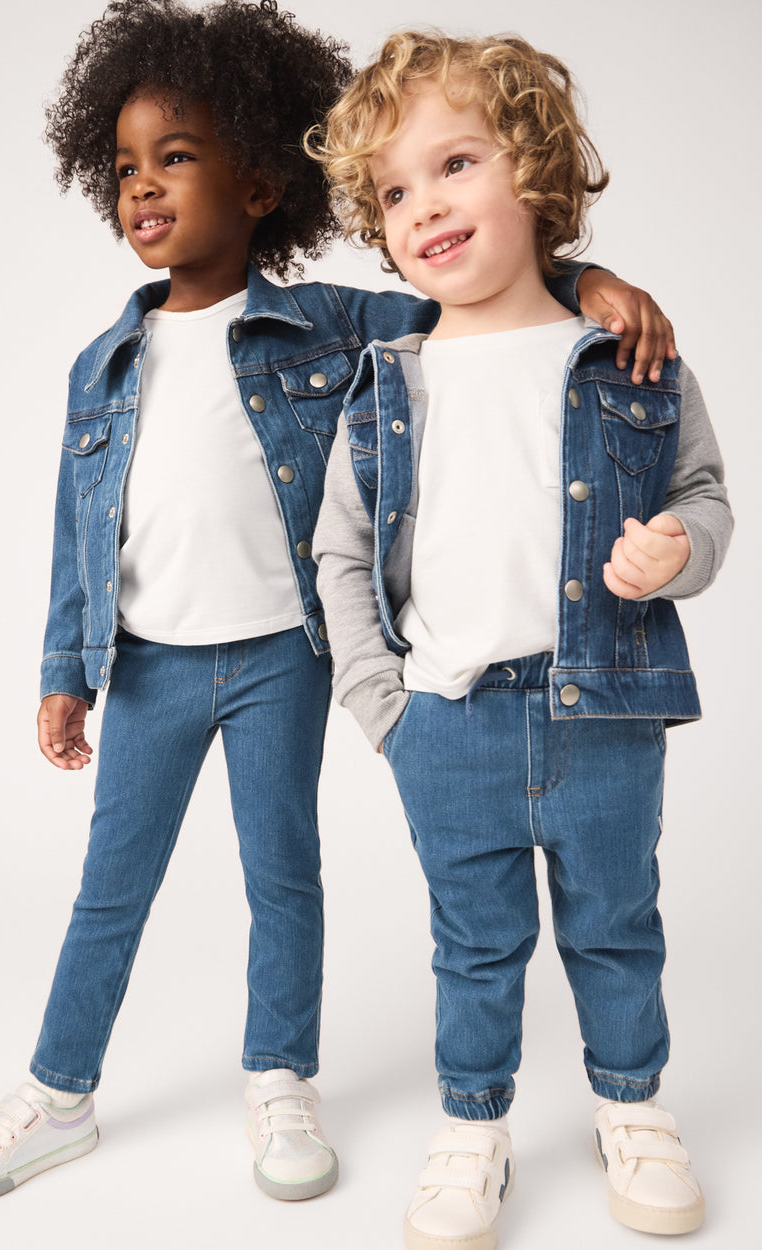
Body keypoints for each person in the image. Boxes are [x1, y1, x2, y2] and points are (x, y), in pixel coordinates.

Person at [0, 0, 675, 1211]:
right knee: (111, 881)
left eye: (177, 156)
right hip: (154, 664)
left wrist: (592, 279)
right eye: (124, 166)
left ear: (263, 183)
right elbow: (78, 530)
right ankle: (58, 1090)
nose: (144, 186)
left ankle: (280, 1075)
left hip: (285, 652)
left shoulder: (329, 320)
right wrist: (65, 664)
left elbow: (479, 298)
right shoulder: (100, 366)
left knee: (285, 871)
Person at [309, 29, 731, 1250]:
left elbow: (703, 494)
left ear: (534, 176)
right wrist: (383, 705)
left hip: (604, 705)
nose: (423, 205)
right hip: (448, 714)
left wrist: (678, 551)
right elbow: (340, 556)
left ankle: (632, 1109)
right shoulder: (383, 382)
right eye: (394, 191)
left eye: (454, 164)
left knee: (615, 919)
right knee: (473, 939)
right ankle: (473, 1125)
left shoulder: (626, 353)